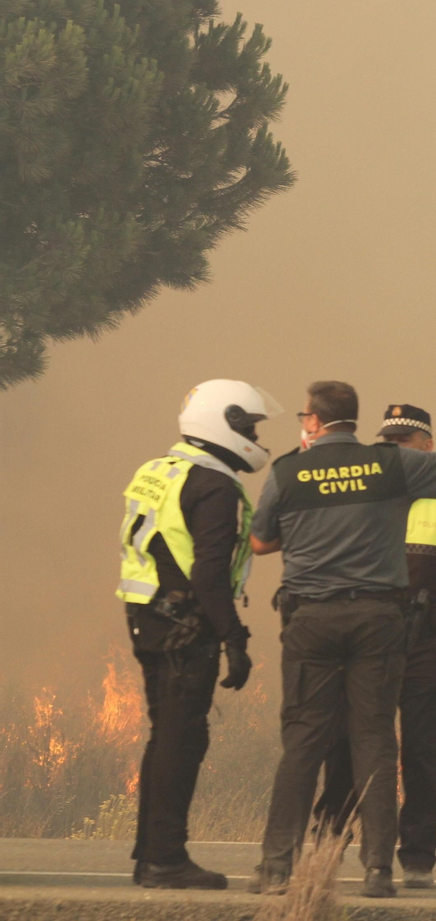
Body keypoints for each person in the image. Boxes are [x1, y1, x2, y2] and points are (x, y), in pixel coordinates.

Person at [248, 381, 436, 898]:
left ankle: (278, 867)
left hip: (317, 620)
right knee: (374, 740)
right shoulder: (385, 468)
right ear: (355, 420)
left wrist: (311, 524)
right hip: (377, 621)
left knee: (306, 742)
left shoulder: (288, 471)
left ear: (314, 421)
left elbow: (259, 542)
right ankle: (377, 870)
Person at [313, 403, 436, 888]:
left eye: (404, 441)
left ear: (428, 447)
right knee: (346, 744)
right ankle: (329, 844)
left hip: (424, 640)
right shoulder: (364, 491)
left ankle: (417, 857)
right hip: (365, 638)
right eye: (389, 441)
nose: (395, 448)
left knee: (420, 750)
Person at [117, 379, 281, 889]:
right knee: (183, 739)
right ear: (223, 423)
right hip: (185, 627)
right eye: (249, 427)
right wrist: (235, 639)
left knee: (166, 735)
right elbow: (208, 575)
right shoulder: (214, 486)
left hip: (148, 616)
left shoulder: (159, 470)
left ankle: (151, 854)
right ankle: (165, 860)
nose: (255, 437)